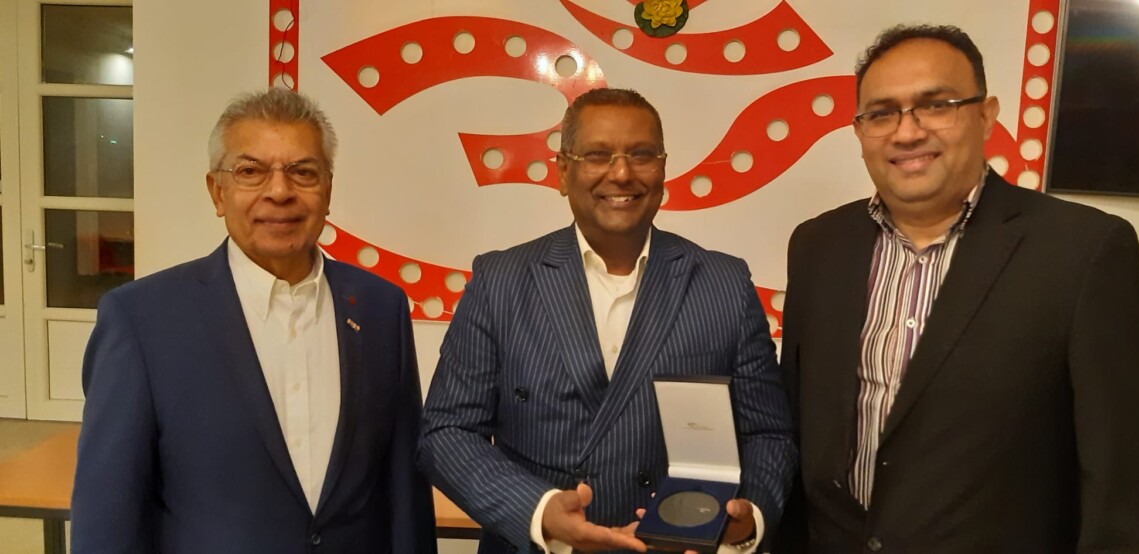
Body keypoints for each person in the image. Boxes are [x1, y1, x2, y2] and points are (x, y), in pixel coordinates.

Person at [774, 24, 1139, 552]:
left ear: (986, 115)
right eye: (881, 113)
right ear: (859, 131)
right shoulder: (818, 246)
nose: (907, 132)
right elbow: (799, 435)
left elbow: (1130, 491)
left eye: (935, 105)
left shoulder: (1084, 253)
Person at [419, 88, 797, 553]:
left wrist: (749, 517)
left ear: (662, 169)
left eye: (642, 155)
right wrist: (539, 511)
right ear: (563, 172)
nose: (621, 173)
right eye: (597, 155)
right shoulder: (500, 280)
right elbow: (447, 432)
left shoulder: (724, 283)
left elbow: (768, 434)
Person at [71, 88, 437, 553]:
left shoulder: (381, 308)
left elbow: (404, 488)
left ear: (327, 190)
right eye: (250, 171)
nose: (279, 192)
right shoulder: (141, 320)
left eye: (303, 172)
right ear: (217, 192)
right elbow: (107, 511)